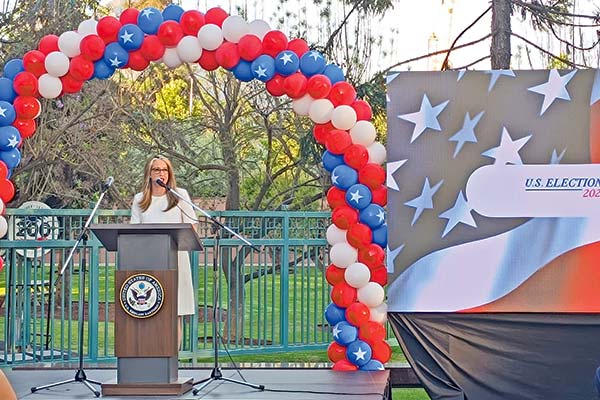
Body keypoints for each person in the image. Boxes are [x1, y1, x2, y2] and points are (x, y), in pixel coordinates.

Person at [130, 155, 197, 349]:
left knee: (174, 312)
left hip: (176, 260)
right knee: (150, 309)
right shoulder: (140, 199)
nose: (161, 173)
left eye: (165, 170)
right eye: (157, 170)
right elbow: (134, 230)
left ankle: (172, 360)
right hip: (148, 262)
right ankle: (150, 357)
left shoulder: (179, 194)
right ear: (149, 174)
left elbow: (191, 226)